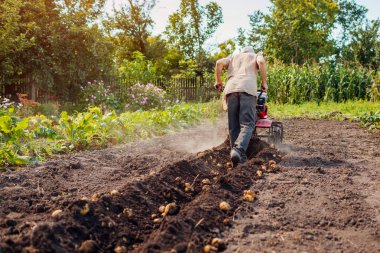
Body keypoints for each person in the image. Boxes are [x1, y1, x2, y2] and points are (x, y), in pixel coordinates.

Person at [214, 46, 268, 165]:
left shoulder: (233, 57)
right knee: (248, 124)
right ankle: (238, 149)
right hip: (247, 89)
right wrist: (264, 82)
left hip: (230, 89)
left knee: (233, 126)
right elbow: (261, 62)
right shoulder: (255, 55)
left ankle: (237, 157)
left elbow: (218, 63)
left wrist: (218, 81)